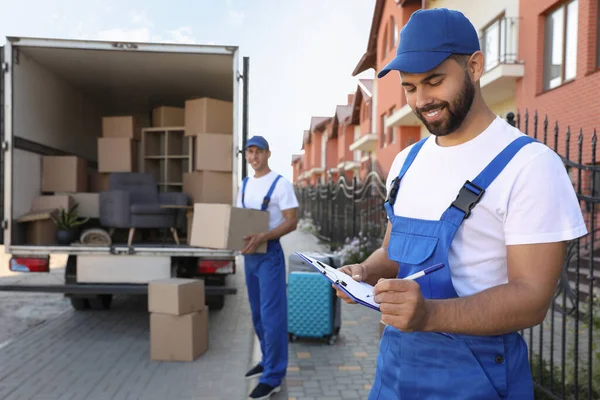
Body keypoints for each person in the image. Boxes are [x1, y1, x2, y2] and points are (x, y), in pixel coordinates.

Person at [334, 8, 587, 400]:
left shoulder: (530, 165)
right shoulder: (406, 161)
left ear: (474, 66)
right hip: (395, 372)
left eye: (434, 81)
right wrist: (364, 272)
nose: (422, 100)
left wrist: (430, 315)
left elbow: (532, 298)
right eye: (410, 87)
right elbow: (393, 252)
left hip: (479, 379)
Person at [238, 135, 299, 400]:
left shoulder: (281, 184)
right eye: (249, 152)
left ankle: (273, 376)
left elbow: (292, 221)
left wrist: (264, 236)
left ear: (268, 154)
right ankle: (267, 359)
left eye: (258, 152)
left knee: (273, 317)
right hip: (249, 256)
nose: (253, 157)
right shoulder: (244, 183)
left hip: (269, 254)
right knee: (257, 314)